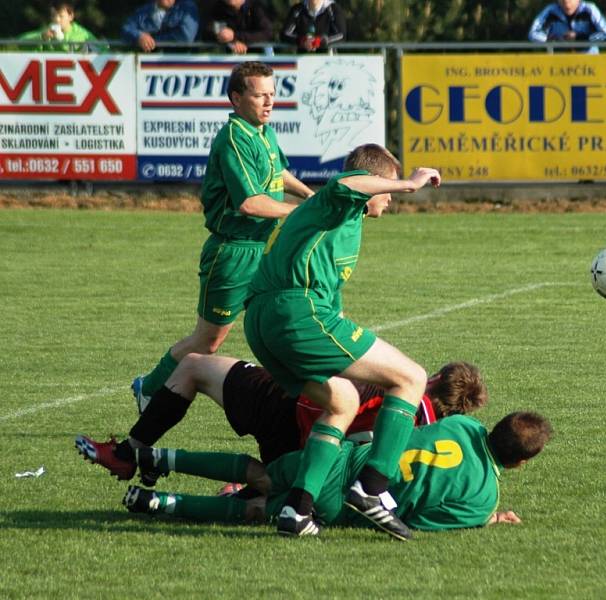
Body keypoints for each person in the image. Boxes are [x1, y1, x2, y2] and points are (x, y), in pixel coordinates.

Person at [243, 144, 441, 539]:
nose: (388, 200)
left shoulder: (343, 225)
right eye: (384, 191)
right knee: (411, 378)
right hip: (294, 311)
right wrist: (408, 183)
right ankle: (372, 486)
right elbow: (350, 181)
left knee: (342, 401)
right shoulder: (339, 201)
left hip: (265, 319)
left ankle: (297, 511)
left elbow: (331, 297)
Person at [131, 62, 314, 411]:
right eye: (260, 94)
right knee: (208, 341)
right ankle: (150, 388)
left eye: (273, 94)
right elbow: (249, 202)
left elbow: (278, 173)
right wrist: (303, 212)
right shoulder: (232, 139)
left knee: (286, 322)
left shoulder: (265, 133)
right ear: (236, 98)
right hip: (233, 253)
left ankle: (301, 406)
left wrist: (308, 195)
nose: (269, 102)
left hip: (265, 250)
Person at [121, 411, 552, 535]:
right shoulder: (481, 500)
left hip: (335, 459)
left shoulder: (464, 425)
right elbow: (413, 521)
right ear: (520, 462)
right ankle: (158, 503)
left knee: (256, 472)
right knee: (256, 508)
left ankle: (159, 458)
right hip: (339, 502)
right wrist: (488, 516)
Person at [76, 353, 487, 481]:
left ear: (432, 377)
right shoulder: (424, 432)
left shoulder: (400, 382)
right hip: (308, 454)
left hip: (284, 401)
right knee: (266, 482)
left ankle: (130, 454)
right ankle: (242, 489)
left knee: (193, 367)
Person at [527, 0, 606, 55]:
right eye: (563, 0)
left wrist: (579, 38)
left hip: (589, 66)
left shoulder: (590, 10)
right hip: (560, 67)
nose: (567, 2)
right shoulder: (551, 11)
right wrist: (554, 40)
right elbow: (533, 33)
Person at [121, 0, 199, 53]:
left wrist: (152, 41)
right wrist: (139, 36)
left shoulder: (187, 8)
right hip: (148, 65)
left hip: (182, 64)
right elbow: (126, 28)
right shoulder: (144, 11)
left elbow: (185, 37)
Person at [18, 3, 98, 52]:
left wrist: (88, 50)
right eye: (53, 15)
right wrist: (41, 37)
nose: (56, 19)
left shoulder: (83, 34)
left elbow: (102, 50)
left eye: (61, 16)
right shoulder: (47, 31)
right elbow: (20, 42)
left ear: (71, 16)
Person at [204, 0, 273, 55]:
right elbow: (210, 31)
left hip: (261, 57)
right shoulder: (218, 8)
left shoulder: (257, 6)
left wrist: (235, 36)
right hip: (229, 60)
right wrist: (231, 41)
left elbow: (267, 33)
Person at [282, 0, 346, 53]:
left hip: (327, 60)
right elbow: (285, 34)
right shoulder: (297, 9)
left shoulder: (333, 9)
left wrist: (319, 41)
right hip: (302, 61)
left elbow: (341, 35)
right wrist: (303, 41)